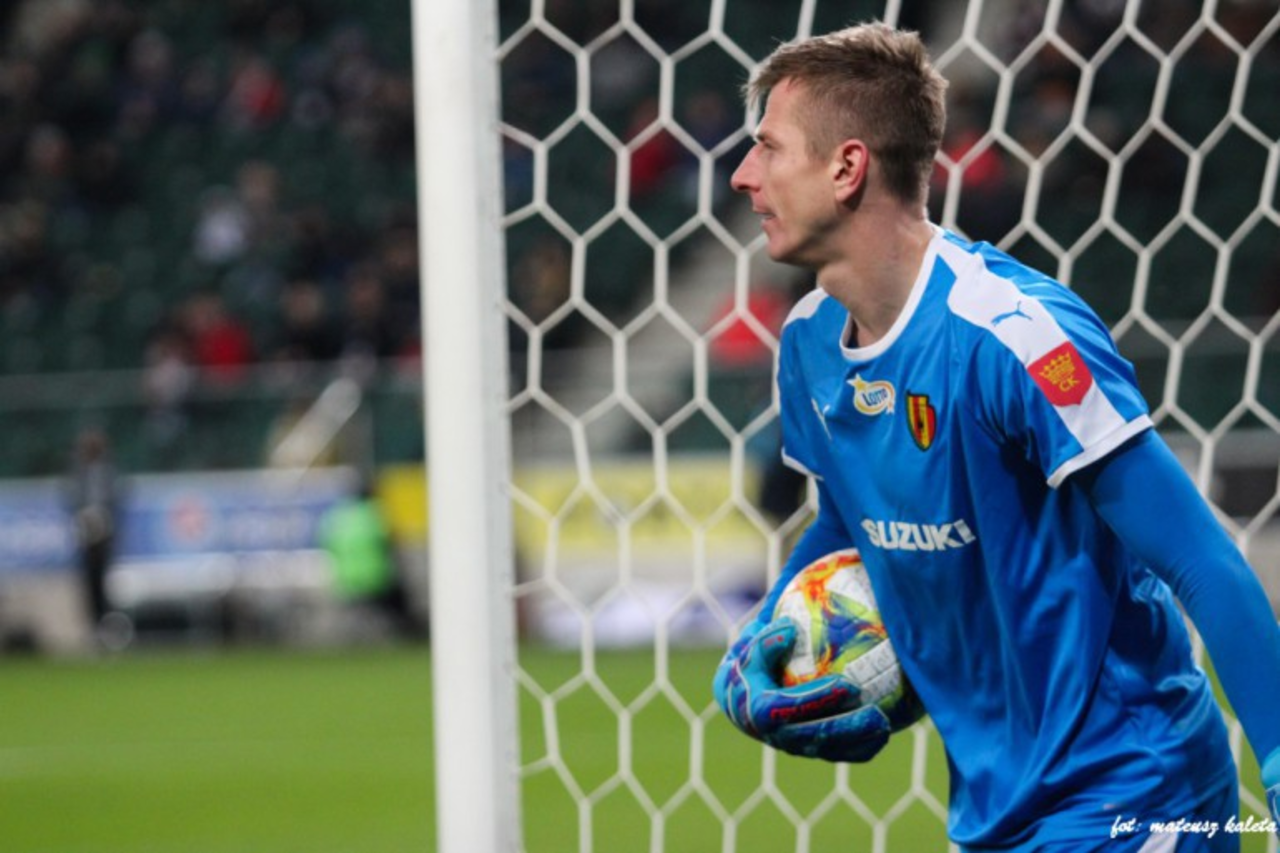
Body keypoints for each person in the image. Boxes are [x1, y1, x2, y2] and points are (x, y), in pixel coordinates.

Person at [711, 22, 1280, 852]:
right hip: (993, 809)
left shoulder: (1016, 336)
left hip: (1133, 790)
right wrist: (769, 636)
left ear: (847, 168)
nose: (743, 173)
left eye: (768, 147)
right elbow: (845, 525)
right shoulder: (807, 345)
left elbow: (1200, 558)